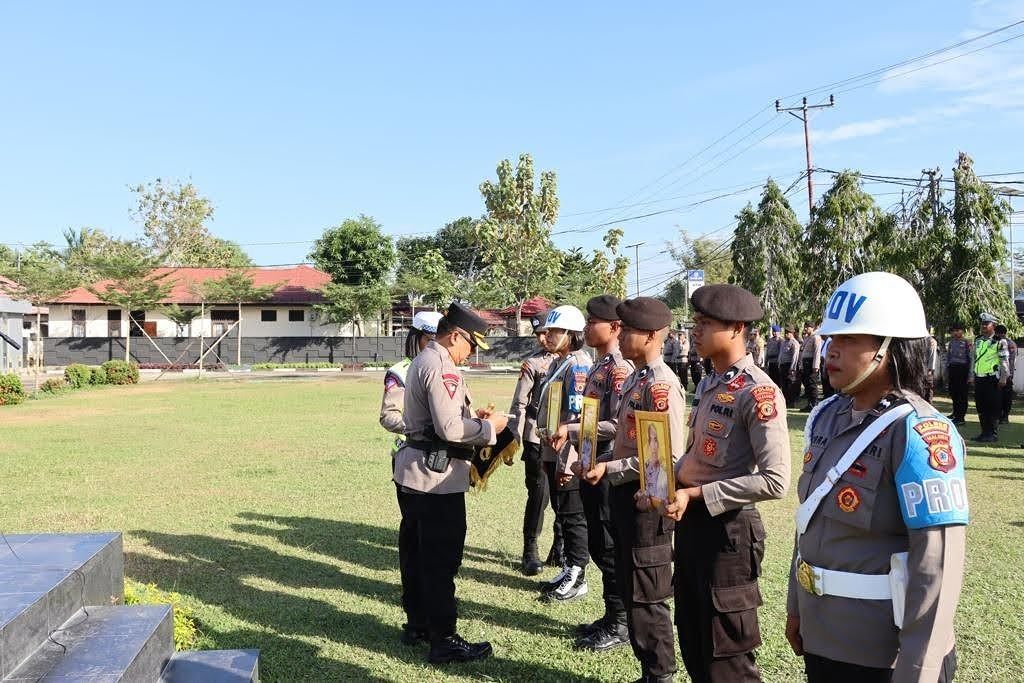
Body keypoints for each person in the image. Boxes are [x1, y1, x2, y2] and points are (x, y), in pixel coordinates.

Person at [786, 272, 967, 682]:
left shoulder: (919, 431)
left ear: (889, 348)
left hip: (885, 654)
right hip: (824, 637)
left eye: (849, 339)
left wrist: (918, 670)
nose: (831, 350)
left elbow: (938, 564)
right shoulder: (826, 416)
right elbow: (809, 521)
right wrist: (796, 605)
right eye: (831, 338)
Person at [655, 284, 790, 682]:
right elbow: (698, 458)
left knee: (726, 656)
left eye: (705, 323)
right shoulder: (710, 383)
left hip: (729, 534)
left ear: (735, 328)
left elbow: (775, 480)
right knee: (694, 638)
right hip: (692, 524)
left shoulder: (758, 391)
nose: (694, 331)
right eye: (695, 322)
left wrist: (698, 493)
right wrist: (663, 482)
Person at [392, 302, 509, 664]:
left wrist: (472, 415)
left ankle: (418, 624)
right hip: (436, 479)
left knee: (415, 553)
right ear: (455, 335)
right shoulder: (444, 367)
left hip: (414, 471)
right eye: (470, 345)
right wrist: (492, 428)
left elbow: (436, 418)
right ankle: (443, 638)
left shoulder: (423, 359)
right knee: (440, 560)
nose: (471, 354)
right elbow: (450, 429)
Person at [586, 296, 684, 683]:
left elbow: (666, 458)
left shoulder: (660, 385)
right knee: (632, 589)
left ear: (653, 335)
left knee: (647, 596)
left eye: (629, 329)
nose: (621, 334)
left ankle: (660, 675)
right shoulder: (637, 378)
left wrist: (610, 466)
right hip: (629, 495)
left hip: (649, 500)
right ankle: (650, 671)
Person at [552, 294, 633, 651]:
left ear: (614, 327)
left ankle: (620, 622)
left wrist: (571, 431)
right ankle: (610, 614)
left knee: (609, 545)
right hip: (589, 461)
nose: (585, 327)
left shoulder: (619, 369)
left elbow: (617, 425)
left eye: (592, 321)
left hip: (608, 467)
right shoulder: (599, 366)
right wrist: (575, 452)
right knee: (599, 544)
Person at [379, 311, 443, 647]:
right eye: (427, 337)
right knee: (416, 542)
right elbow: (389, 416)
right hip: (411, 463)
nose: (433, 343)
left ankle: (437, 609)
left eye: (438, 336)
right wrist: (423, 426)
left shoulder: (445, 365)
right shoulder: (401, 372)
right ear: (415, 337)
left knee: (440, 544)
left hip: (444, 466)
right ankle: (416, 617)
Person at [536, 304, 593, 602]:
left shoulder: (578, 365)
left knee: (572, 514)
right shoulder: (561, 362)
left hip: (566, 452)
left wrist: (569, 463)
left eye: (555, 331)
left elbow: (577, 415)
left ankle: (578, 573)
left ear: (570, 334)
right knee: (562, 511)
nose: (548, 335)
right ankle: (570, 565)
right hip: (552, 449)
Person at [508, 311, 557, 576]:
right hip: (536, 436)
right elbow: (519, 403)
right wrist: (513, 438)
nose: (542, 338)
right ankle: (531, 548)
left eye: (547, 332)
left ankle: (560, 547)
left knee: (565, 494)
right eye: (538, 333)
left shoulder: (575, 362)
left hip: (565, 439)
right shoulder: (532, 365)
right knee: (539, 492)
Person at [971, 312, 1009, 443]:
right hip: (979, 378)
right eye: (982, 324)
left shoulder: (1000, 341)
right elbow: (974, 359)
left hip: (993, 379)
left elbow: (1004, 360)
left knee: (992, 407)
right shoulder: (978, 340)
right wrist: (972, 375)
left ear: (994, 325)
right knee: (981, 407)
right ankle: (984, 433)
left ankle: (992, 434)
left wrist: (1004, 378)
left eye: (986, 324)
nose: (983, 326)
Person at [944, 324, 971, 425]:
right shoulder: (951, 343)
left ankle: (961, 417)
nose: (955, 333)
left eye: (957, 330)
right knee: (953, 393)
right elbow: (949, 357)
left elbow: (970, 358)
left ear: (962, 331)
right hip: (953, 369)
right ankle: (955, 413)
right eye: (953, 331)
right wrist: (947, 370)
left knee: (962, 394)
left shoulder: (966, 342)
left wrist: (970, 375)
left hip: (962, 369)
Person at [799, 321, 823, 411]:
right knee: (807, 384)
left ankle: (814, 404)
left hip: (811, 363)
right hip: (806, 363)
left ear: (812, 328)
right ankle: (810, 403)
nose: (805, 329)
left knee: (812, 384)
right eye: (805, 327)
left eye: (807, 327)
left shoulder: (816, 337)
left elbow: (817, 352)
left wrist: (816, 366)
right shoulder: (808, 338)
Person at [995, 324, 1017, 423]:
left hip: (1006, 374)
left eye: (998, 333)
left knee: (1006, 397)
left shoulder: (1010, 343)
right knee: (997, 396)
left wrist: (1010, 375)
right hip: (995, 374)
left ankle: (1005, 416)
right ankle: (998, 415)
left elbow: (1011, 361)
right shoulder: (994, 342)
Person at [642, 424, 668, 502]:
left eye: (656, 440)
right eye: (650, 440)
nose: (652, 445)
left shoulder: (664, 473)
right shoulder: (647, 467)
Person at [780, 326, 801, 405]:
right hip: (783, 365)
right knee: (784, 384)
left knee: (790, 385)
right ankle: (786, 400)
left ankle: (792, 401)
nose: (785, 334)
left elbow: (795, 357)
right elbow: (781, 354)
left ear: (792, 333)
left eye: (787, 333)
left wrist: (792, 368)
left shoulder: (794, 343)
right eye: (785, 333)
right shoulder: (784, 342)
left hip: (789, 366)